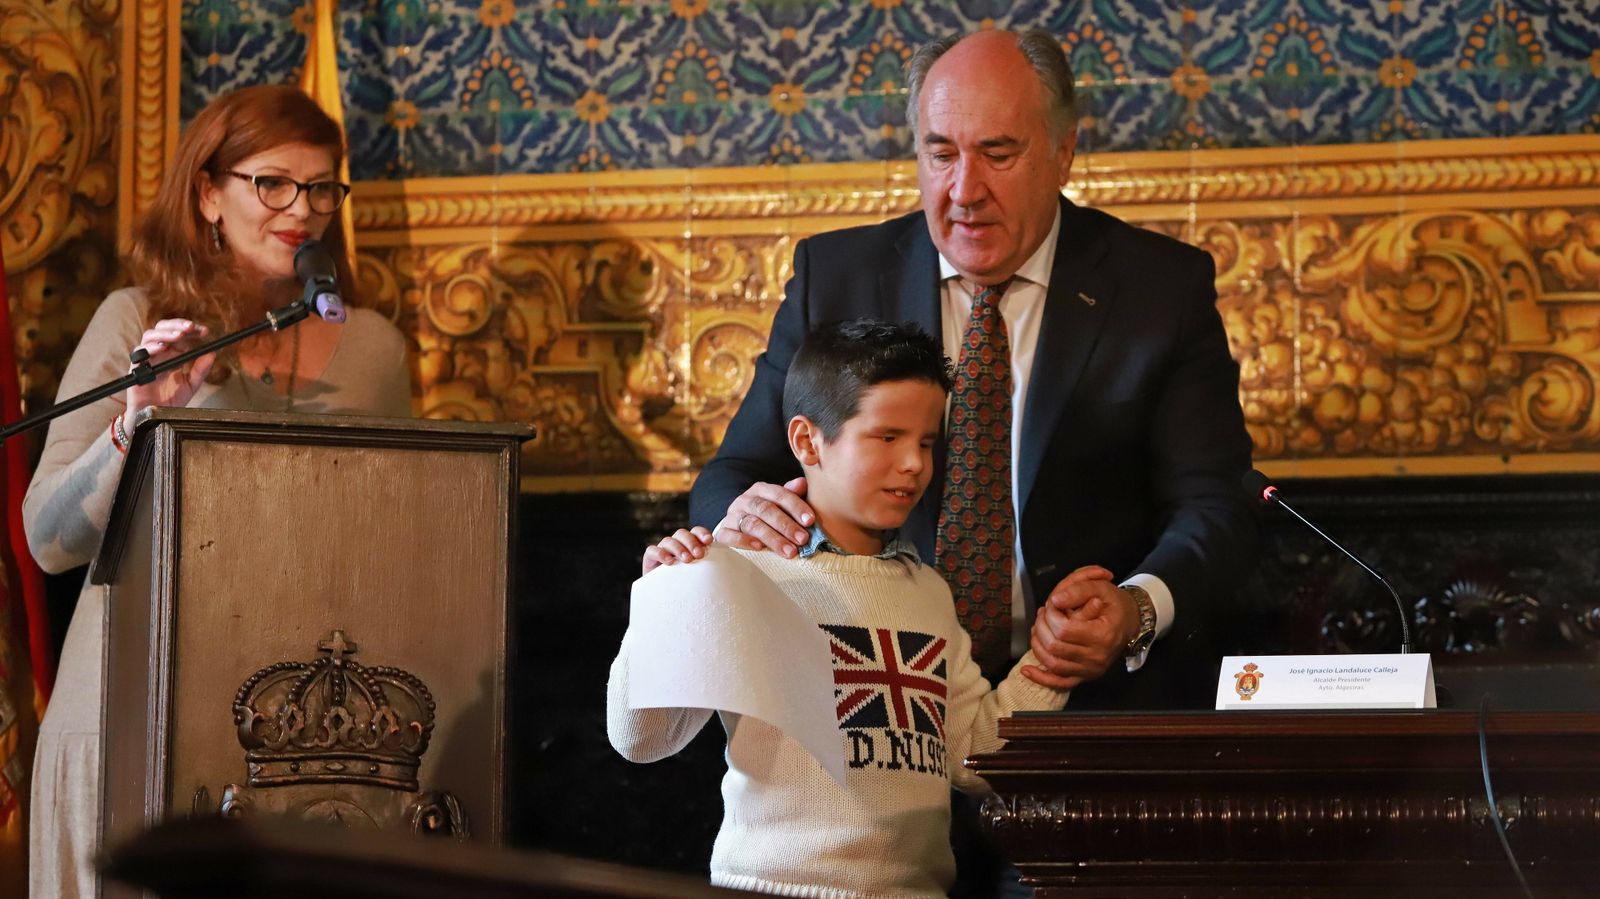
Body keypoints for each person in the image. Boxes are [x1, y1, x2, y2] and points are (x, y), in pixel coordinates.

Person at [690, 28, 1257, 712]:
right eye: (940, 153)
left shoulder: (1158, 288)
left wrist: (1136, 607)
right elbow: (731, 474)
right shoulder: (834, 279)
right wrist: (747, 515)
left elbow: (1216, 505)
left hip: (1091, 706)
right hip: (871, 698)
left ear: (1063, 151)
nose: (964, 190)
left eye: (997, 153)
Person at [24, 84, 412, 898]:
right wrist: (137, 419)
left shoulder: (374, 348)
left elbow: (390, 544)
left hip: (297, 732)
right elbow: (49, 539)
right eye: (271, 183)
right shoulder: (136, 321)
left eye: (320, 187)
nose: (299, 209)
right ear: (208, 192)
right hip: (127, 716)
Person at [609, 320, 1096, 897]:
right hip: (769, 886)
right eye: (887, 437)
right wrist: (667, 603)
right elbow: (642, 739)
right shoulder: (742, 572)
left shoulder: (926, 591)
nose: (914, 464)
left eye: (925, 443)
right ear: (808, 441)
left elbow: (970, 754)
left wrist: (1050, 664)